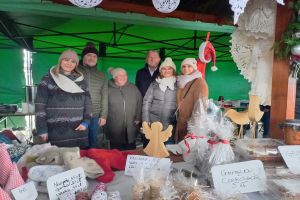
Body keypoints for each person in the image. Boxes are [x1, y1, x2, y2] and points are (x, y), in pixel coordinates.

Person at [35, 50, 92, 148]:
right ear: (60, 61)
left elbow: (88, 104)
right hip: (55, 132)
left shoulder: (82, 82)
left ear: (76, 64)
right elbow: (40, 105)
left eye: (73, 61)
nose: (69, 63)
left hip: (78, 131)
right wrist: (42, 129)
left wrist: (86, 122)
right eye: (66, 60)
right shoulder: (48, 79)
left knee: (77, 160)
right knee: (57, 159)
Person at [79, 42, 108, 148]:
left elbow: (105, 96)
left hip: (95, 116)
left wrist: (104, 115)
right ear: (83, 57)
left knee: (93, 144)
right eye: (89, 55)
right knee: (79, 145)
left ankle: (90, 164)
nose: (92, 58)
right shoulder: (75, 71)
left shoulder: (102, 75)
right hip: (78, 115)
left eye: (95, 56)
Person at [142, 57, 177, 147]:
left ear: (173, 70)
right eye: (164, 69)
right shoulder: (154, 84)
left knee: (167, 150)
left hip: (170, 124)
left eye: (169, 68)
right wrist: (146, 120)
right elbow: (146, 102)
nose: (167, 71)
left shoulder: (179, 84)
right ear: (160, 71)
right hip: (153, 122)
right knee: (152, 148)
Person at [106, 67, 142, 150]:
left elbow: (140, 102)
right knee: (116, 150)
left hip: (131, 123)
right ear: (114, 77)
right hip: (114, 124)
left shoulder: (133, 88)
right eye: (119, 75)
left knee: (131, 148)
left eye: (124, 75)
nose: (123, 77)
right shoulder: (107, 88)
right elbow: (103, 105)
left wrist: (138, 117)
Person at [176, 58, 209, 143]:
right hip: (181, 122)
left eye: (189, 66)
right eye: (183, 66)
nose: (186, 69)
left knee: (188, 150)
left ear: (194, 68)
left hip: (191, 125)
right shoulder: (182, 81)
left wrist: (194, 128)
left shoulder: (199, 82)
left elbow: (201, 108)